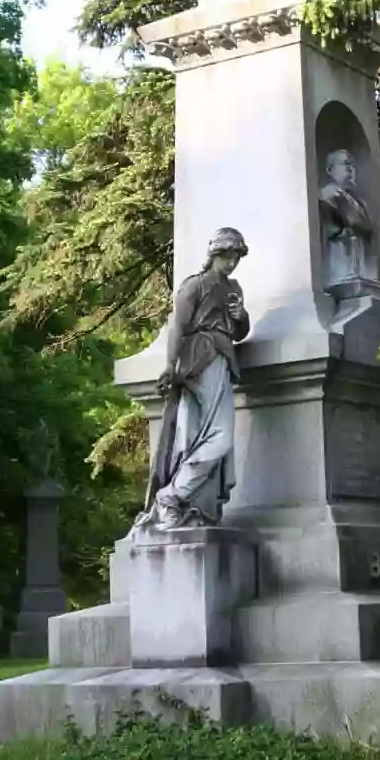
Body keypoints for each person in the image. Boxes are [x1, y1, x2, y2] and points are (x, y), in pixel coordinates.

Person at [135, 227, 250, 532]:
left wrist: (241, 318)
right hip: (200, 359)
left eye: (236, 256)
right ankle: (172, 496)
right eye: (228, 256)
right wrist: (170, 366)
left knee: (202, 436)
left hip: (223, 358)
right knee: (219, 436)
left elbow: (239, 333)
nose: (232, 262)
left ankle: (189, 502)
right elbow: (177, 327)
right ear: (215, 254)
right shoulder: (195, 286)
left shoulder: (234, 288)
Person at [318, 150, 375, 286]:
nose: (350, 169)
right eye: (345, 164)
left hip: (359, 266)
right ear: (330, 170)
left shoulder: (358, 202)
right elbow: (355, 221)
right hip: (341, 263)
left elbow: (367, 227)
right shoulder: (327, 195)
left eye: (352, 165)